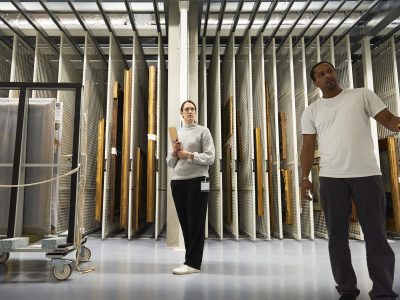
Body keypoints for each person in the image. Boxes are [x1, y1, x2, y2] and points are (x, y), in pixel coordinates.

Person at [300, 61, 398, 300]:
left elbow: (389, 120)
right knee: (337, 237)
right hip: (332, 179)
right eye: (321, 74)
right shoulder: (311, 111)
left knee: (376, 235)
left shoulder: (362, 95)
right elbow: (308, 146)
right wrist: (304, 178)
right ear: (315, 83)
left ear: (336, 73)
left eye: (330, 71)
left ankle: (383, 291)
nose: (328, 76)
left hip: (367, 175)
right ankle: (346, 289)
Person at [166, 99, 215, 275]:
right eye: (186, 109)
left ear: (196, 112)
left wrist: (190, 155)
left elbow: (210, 157)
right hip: (178, 182)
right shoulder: (177, 134)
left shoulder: (203, 131)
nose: (189, 111)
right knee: (186, 223)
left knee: (196, 222)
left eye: (192, 109)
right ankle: (190, 260)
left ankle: (193, 263)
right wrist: (174, 152)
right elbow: (170, 163)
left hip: (199, 181)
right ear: (181, 113)